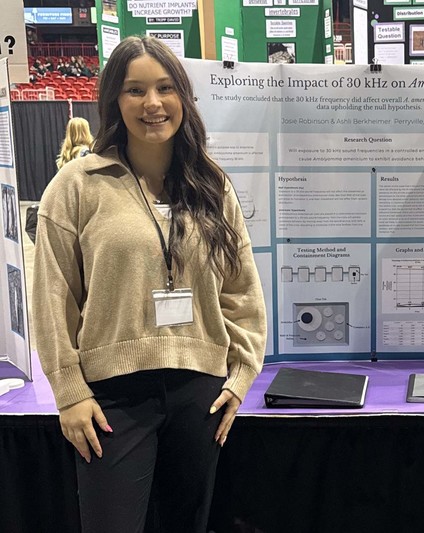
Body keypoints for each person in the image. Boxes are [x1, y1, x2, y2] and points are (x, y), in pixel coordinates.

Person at [32, 36, 267, 533]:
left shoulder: (211, 185)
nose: (152, 103)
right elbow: (53, 296)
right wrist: (69, 392)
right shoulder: (77, 185)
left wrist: (242, 374)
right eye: (135, 90)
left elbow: (241, 290)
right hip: (111, 398)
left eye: (165, 88)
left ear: (183, 95)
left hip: (199, 390)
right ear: (114, 100)